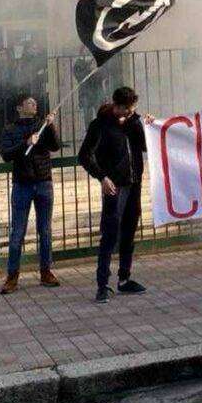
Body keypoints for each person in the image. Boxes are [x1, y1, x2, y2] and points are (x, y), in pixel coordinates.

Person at [78, 86, 154, 302]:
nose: (131, 112)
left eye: (133, 109)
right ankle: (102, 284)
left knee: (129, 232)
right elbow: (84, 156)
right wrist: (102, 177)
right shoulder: (101, 125)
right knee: (110, 235)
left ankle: (124, 278)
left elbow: (146, 147)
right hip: (114, 186)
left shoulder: (134, 122)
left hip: (134, 184)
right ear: (118, 106)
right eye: (128, 109)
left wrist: (149, 127)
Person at [0, 94, 61, 293]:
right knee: (17, 232)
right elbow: (6, 154)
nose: (34, 105)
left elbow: (55, 146)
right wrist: (26, 143)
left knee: (45, 230)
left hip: (43, 182)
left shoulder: (42, 125)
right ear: (19, 108)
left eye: (35, 102)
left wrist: (51, 126)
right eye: (29, 102)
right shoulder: (10, 129)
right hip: (22, 185)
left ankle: (46, 271)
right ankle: (12, 276)